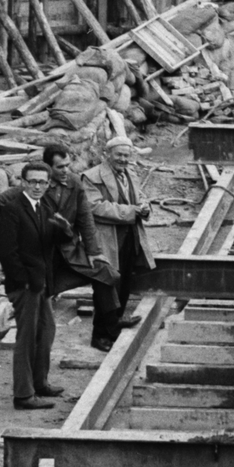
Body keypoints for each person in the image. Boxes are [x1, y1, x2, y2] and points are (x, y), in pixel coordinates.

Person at [0, 161, 66, 410]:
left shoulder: (43, 207)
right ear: (23, 182)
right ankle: (23, 395)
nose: (37, 186)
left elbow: (52, 241)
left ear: (48, 184)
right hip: (25, 286)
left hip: (41, 283)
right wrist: (24, 282)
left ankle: (39, 383)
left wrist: (64, 228)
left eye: (42, 182)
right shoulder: (13, 210)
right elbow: (7, 252)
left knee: (46, 331)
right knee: (26, 338)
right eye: (32, 181)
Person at [81, 139, 157, 350]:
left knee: (124, 284)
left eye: (126, 155)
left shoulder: (130, 174)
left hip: (130, 237)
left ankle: (116, 324)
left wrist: (144, 206)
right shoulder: (92, 176)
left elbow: (140, 196)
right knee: (106, 286)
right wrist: (133, 211)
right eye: (118, 155)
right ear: (107, 154)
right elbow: (95, 207)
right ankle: (100, 336)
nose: (123, 159)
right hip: (107, 240)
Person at [40, 143, 107, 302]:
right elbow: (1, 203)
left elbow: (85, 218)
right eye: (60, 167)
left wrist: (93, 251)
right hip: (43, 250)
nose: (65, 170)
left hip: (70, 247)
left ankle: (110, 322)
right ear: (47, 167)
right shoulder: (37, 184)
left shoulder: (74, 182)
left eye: (68, 165)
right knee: (42, 292)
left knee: (105, 273)